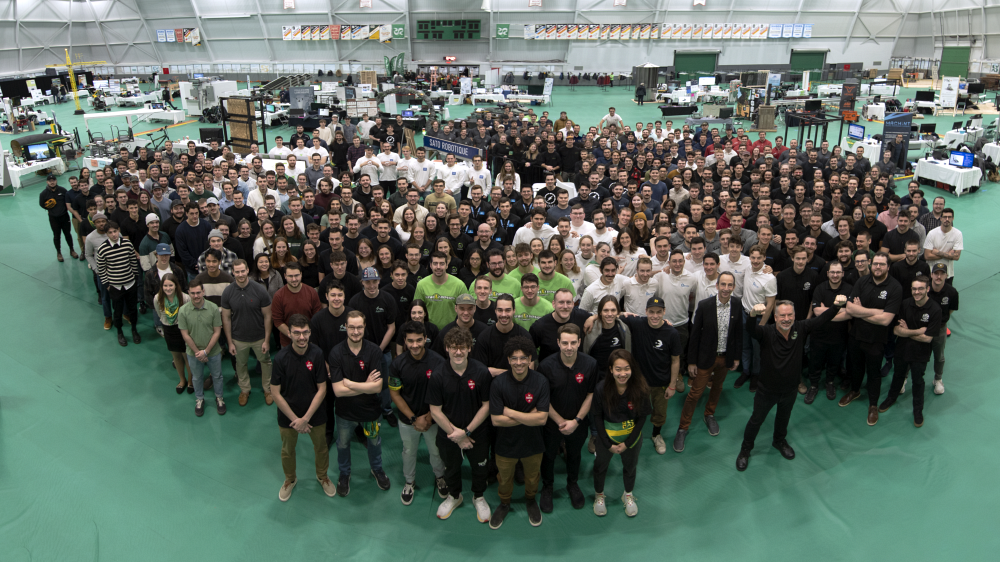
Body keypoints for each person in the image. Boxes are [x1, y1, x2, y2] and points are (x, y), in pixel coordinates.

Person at [736, 295, 845, 471]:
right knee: (756, 420)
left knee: (783, 417)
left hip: (790, 389)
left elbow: (822, 319)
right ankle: (745, 450)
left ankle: (779, 441)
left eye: (790, 315)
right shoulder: (766, 332)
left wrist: (835, 306)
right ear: (776, 317)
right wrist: (752, 315)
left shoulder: (800, 328)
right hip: (767, 390)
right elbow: (751, 329)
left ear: (794, 316)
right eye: (782, 316)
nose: (786, 319)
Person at [426, 327, 494, 523]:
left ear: (469, 348)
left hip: (477, 433)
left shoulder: (481, 372)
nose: (458, 352)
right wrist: (456, 434)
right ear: (446, 348)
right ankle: (454, 496)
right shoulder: (438, 375)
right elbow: (435, 411)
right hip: (449, 435)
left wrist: (466, 432)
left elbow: (486, 406)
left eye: (462, 347)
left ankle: (478, 497)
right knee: (452, 468)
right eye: (454, 347)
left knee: (480, 468)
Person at [673, 272, 743, 453]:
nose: (726, 289)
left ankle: (709, 414)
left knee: (717, 388)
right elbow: (695, 336)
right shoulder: (705, 306)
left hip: (724, 358)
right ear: (717, 286)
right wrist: (691, 362)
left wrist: (735, 357)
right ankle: (683, 428)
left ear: (733, 287)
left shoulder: (736, 304)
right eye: (723, 284)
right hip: (705, 358)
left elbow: (737, 334)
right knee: (695, 394)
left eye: (730, 285)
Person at [271, 314, 335, 501]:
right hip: (288, 416)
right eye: (297, 333)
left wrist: (306, 418)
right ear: (289, 333)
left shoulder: (317, 354)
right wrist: (295, 420)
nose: (301, 337)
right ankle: (290, 480)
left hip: (314, 414)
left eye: (305, 332)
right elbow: (275, 393)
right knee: (287, 450)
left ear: (310, 333)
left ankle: (322, 476)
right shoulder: (281, 358)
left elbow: (322, 389)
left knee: (321, 447)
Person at [488, 336, 550, 530]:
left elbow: (542, 419)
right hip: (505, 444)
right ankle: (504, 503)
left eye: (523, 358)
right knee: (505, 478)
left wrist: (509, 412)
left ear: (530, 358)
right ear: (508, 360)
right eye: (514, 358)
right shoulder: (498, 384)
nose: (519, 363)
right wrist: (527, 416)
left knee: (532, 477)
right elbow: (496, 420)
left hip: (533, 442)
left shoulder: (540, 381)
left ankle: (530, 500)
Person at [329, 311, 392, 496]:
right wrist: (366, 385)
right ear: (345, 328)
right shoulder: (336, 353)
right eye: (352, 327)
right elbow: (338, 391)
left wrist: (350, 383)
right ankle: (344, 473)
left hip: (370, 412)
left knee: (374, 442)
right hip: (345, 413)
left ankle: (377, 469)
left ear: (364, 328)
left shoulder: (374, 351)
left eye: (359, 327)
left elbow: (378, 387)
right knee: (342, 444)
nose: (356, 331)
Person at [389, 321, 450, 505]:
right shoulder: (397, 364)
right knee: (409, 451)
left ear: (425, 339)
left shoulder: (438, 362)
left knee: (436, 451)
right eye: (410, 341)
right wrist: (414, 418)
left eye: (418, 340)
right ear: (405, 342)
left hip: (433, 419)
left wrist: (429, 417)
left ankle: (440, 477)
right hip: (409, 421)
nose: (414, 345)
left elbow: (443, 394)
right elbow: (395, 394)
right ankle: (409, 482)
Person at [538, 324, 596, 513]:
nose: (569, 347)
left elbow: (590, 394)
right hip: (552, 423)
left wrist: (577, 421)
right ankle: (547, 486)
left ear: (579, 342)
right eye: (564, 343)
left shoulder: (590, 364)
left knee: (575, 454)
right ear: (558, 343)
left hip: (578, 422)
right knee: (548, 455)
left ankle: (573, 483)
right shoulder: (546, 365)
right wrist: (561, 421)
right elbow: (542, 399)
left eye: (573, 342)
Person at [840, 253, 902, 426]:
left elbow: (886, 320)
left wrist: (862, 311)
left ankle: (873, 405)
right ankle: (855, 391)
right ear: (870, 264)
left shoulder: (895, 288)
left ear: (888, 267)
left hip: (877, 339)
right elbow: (850, 308)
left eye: (882, 265)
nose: (878, 267)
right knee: (856, 367)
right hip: (856, 335)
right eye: (875, 264)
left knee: (874, 373)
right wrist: (874, 311)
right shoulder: (862, 281)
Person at [591, 349, 650, 518]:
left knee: (630, 468)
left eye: (626, 369)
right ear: (610, 369)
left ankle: (628, 494)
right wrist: (607, 444)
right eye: (618, 369)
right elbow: (597, 417)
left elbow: (642, 418)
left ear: (632, 368)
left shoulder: (641, 388)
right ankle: (599, 495)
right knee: (600, 467)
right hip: (606, 439)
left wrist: (628, 443)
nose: (622, 374)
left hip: (631, 439)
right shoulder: (601, 389)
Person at [618, 297, 682, 455]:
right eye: (651, 312)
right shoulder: (638, 324)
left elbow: (675, 361)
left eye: (659, 312)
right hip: (639, 382)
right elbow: (611, 314)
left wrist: (672, 385)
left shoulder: (671, 333)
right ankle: (632, 435)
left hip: (661, 382)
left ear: (664, 312)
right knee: (635, 410)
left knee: (659, 412)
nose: (655, 316)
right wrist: (623, 313)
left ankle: (656, 435)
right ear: (646, 312)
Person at [877, 276, 941, 427]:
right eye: (914, 289)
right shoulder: (905, 304)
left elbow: (927, 339)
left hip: (920, 353)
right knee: (898, 375)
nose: (917, 292)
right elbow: (897, 331)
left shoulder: (935, 310)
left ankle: (918, 410)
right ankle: (891, 398)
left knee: (917, 381)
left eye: (920, 289)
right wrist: (917, 331)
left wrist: (907, 331)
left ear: (927, 289)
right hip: (902, 349)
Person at [349, 267, 399, 426]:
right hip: (360, 351)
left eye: (374, 282)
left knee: (384, 383)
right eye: (367, 282)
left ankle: (387, 409)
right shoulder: (355, 301)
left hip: (382, 351)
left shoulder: (388, 299)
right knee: (363, 382)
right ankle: (368, 411)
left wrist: (378, 349)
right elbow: (353, 329)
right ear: (362, 283)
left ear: (379, 281)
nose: (371, 286)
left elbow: (391, 327)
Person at [221, 260, 274, 407]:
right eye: (237, 272)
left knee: (265, 362)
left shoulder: (260, 290)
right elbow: (225, 318)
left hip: (259, 337)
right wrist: (230, 342)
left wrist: (267, 340)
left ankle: (268, 389)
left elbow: (268, 316)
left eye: (242, 271)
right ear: (233, 272)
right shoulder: (228, 292)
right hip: (238, 339)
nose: (240, 274)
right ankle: (245, 390)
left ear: (247, 270)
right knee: (241, 364)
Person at [178, 280, 226, 417]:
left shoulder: (213, 308)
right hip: (193, 353)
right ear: (189, 293)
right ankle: (199, 399)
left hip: (213, 351)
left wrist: (206, 351)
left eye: (198, 292)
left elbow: (217, 331)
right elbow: (185, 335)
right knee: (196, 378)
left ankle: (219, 398)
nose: (196, 296)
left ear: (203, 292)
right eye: (192, 293)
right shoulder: (183, 311)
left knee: (217, 376)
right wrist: (198, 352)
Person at [807, 261, 853, 402]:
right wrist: (840, 310)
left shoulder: (849, 289)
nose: (835, 275)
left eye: (838, 272)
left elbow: (850, 313)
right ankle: (813, 386)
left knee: (834, 362)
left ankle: (830, 383)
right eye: (832, 272)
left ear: (842, 274)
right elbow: (816, 310)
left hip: (839, 336)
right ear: (827, 273)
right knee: (815, 363)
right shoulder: (820, 288)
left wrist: (826, 315)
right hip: (819, 335)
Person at [96, 221, 142, 347]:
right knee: (118, 311)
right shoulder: (102, 249)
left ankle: (134, 329)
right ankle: (120, 332)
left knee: (132, 309)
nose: (114, 234)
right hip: (115, 286)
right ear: (106, 234)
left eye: (115, 231)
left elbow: (133, 262)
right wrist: (108, 285)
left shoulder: (127, 244)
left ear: (119, 230)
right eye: (110, 232)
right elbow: (101, 269)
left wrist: (135, 278)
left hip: (130, 283)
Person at [153, 273, 193, 393]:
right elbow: (160, 315)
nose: (168, 288)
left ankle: (191, 381)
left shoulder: (185, 298)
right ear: (162, 286)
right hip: (169, 330)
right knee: (176, 357)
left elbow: (190, 316)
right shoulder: (157, 298)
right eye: (165, 286)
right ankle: (182, 380)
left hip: (183, 330)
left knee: (187, 357)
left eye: (171, 285)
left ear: (176, 285)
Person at [271, 262, 322, 348]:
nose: (294, 279)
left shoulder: (311, 292)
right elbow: (278, 321)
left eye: (296, 275)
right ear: (285, 276)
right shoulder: (278, 296)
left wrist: (305, 335)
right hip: (287, 342)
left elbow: (317, 317)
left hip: (309, 340)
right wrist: (295, 336)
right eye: (290, 276)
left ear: (301, 274)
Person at [413, 251, 470, 329]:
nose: (438, 267)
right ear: (430, 265)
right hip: (428, 331)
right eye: (435, 263)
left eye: (442, 264)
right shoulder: (421, 285)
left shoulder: (459, 285)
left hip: (453, 331)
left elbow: (467, 309)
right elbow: (417, 310)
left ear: (447, 265)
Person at [39, 173, 78, 262]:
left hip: (64, 216)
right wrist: (48, 208)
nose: (52, 182)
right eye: (50, 181)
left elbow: (68, 200)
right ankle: (59, 253)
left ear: (56, 181)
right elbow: (41, 204)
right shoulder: (43, 194)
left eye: (53, 180)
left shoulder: (63, 190)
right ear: (47, 182)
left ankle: (72, 250)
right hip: (53, 218)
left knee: (68, 234)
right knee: (57, 236)